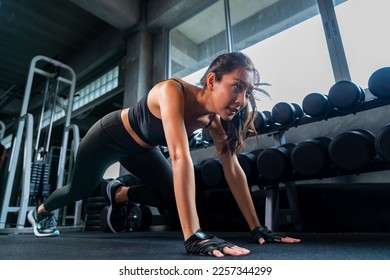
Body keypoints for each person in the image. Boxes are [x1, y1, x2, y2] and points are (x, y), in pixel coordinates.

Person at [28, 52, 301, 257]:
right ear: (212, 80)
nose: (242, 100)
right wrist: (194, 235)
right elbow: (180, 158)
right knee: (80, 189)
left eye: (247, 92)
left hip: (141, 150)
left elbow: (233, 170)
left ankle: (120, 194)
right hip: (107, 138)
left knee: (172, 196)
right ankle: (40, 212)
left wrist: (257, 228)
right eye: (237, 86)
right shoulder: (172, 91)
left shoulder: (213, 121)